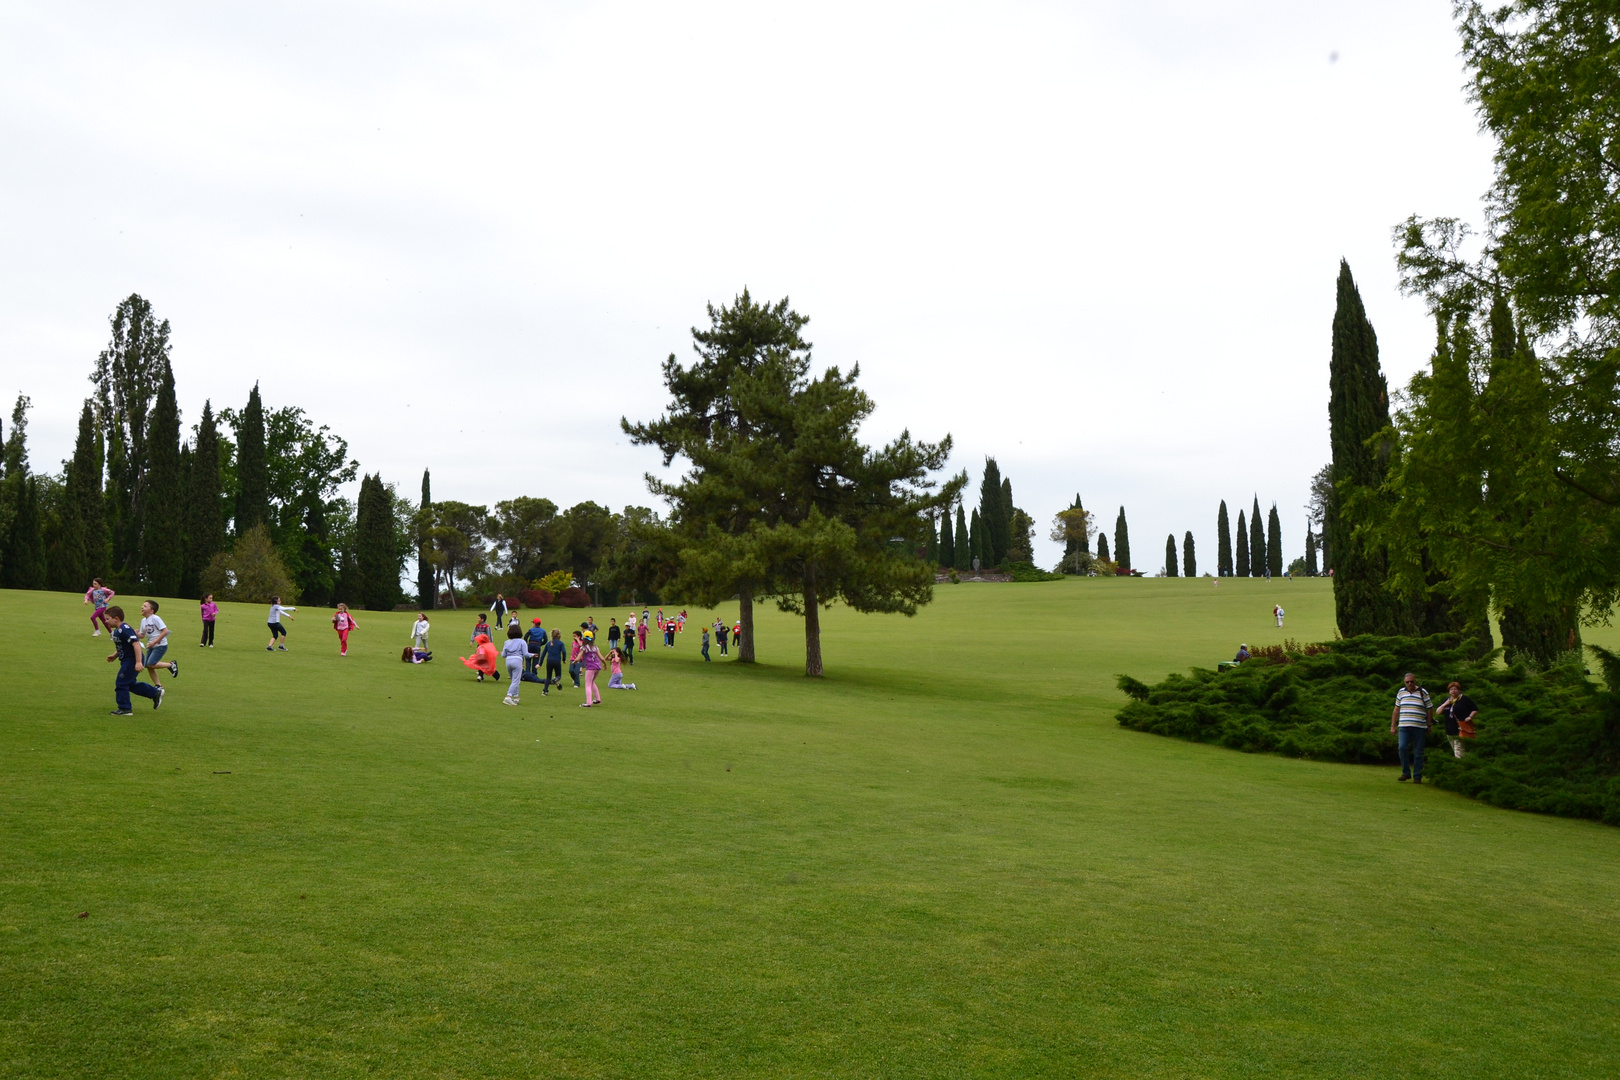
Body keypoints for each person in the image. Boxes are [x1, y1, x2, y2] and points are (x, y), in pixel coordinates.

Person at [105, 606, 162, 713]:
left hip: (132, 660)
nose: (106, 621)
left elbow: (136, 644)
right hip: (127, 660)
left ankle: (125, 708)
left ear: (116, 618)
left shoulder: (124, 629)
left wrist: (138, 662)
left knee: (121, 683)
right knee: (129, 684)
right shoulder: (118, 631)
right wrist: (114, 655)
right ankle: (154, 693)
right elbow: (124, 646)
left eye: (108, 619)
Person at [1391, 672, 1434, 783]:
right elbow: (1396, 709)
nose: (1409, 683)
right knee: (1402, 747)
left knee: (1419, 751)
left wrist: (1429, 725)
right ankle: (1406, 772)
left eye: (1411, 681)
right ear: (1404, 682)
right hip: (1404, 726)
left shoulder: (1422, 692)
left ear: (1415, 681)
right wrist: (1393, 725)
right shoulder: (1401, 692)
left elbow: (1429, 709)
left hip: (1419, 726)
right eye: (1407, 682)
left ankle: (1417, 775)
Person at [138, 601, 178, 686]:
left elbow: (165, 631)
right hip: (151, 645)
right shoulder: (143, 621)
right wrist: (132, 633)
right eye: (142, 605)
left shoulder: (155, 618)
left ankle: (170, 665)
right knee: (148, 666)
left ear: (151, 611)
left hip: (160, 645)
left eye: (145, 606)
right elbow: (142, 635)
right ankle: (158, 685)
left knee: (150, 664)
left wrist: (154, 642)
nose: (142, 607)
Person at [1436, 681, 1479, 758]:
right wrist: (1445, 704)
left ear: (1459, 690)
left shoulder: (1464, 699)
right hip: (1449, 729)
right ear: (1449, 691)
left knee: (1458, 750)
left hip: (1460, 729)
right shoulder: (1448, 700)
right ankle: (1463, 763)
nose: (1453, 691)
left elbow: (1475, 709)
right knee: (1455, 749)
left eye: (1455, 689)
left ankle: (1460, 766)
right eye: (1451, 689)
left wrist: (1470, 717)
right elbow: (1438, 712)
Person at [500, 623, 528, 705]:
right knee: (516, 680)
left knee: (514, 680)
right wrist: (533, 655)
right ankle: (508, 696)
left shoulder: (506, 642)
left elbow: (503, 655)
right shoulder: (522, 642)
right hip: (517, 660)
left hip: (508, 661)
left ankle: (516, 697)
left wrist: (501, 653)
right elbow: (525, 654)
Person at [579, 630, 604, 707]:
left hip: (590, 667)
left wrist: (574, 661)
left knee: (588, 684)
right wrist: (605, 664)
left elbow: (578, 657)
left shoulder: (584, 647)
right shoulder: (595, 647)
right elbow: (601, 658)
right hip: (598, 666)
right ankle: (598, 699)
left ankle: (588, 702)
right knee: (592, 682)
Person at [543, 628, 566, 695]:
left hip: (549, 661)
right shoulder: (561, 643)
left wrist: (540, 663)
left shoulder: (548, 643)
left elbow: (543, 653)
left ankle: (545, 691)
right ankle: (556, 679)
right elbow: (564, 651)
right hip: (557, 661)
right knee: (558, 675)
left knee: (548, 677)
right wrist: (564, 659)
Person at [524, 617, 548, 682]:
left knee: (528, 659)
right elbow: (546, 640)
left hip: (531, 644)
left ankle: (527, 673)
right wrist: (540, 644)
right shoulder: (543, 631)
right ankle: (534, 674)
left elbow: (525, 637)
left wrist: (526, 643)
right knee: (536, 660)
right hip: (537, 645)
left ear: (534, 624)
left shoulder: (531, 630)